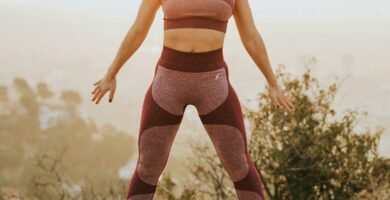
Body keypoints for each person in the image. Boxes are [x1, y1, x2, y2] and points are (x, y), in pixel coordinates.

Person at [91, 0, 294, 199]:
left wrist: (273, 83)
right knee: (147, 168)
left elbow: (250, 36)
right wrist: (111, 72)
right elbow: (139, 28)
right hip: (168, 83)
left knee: (240, 165)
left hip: (213, 84)